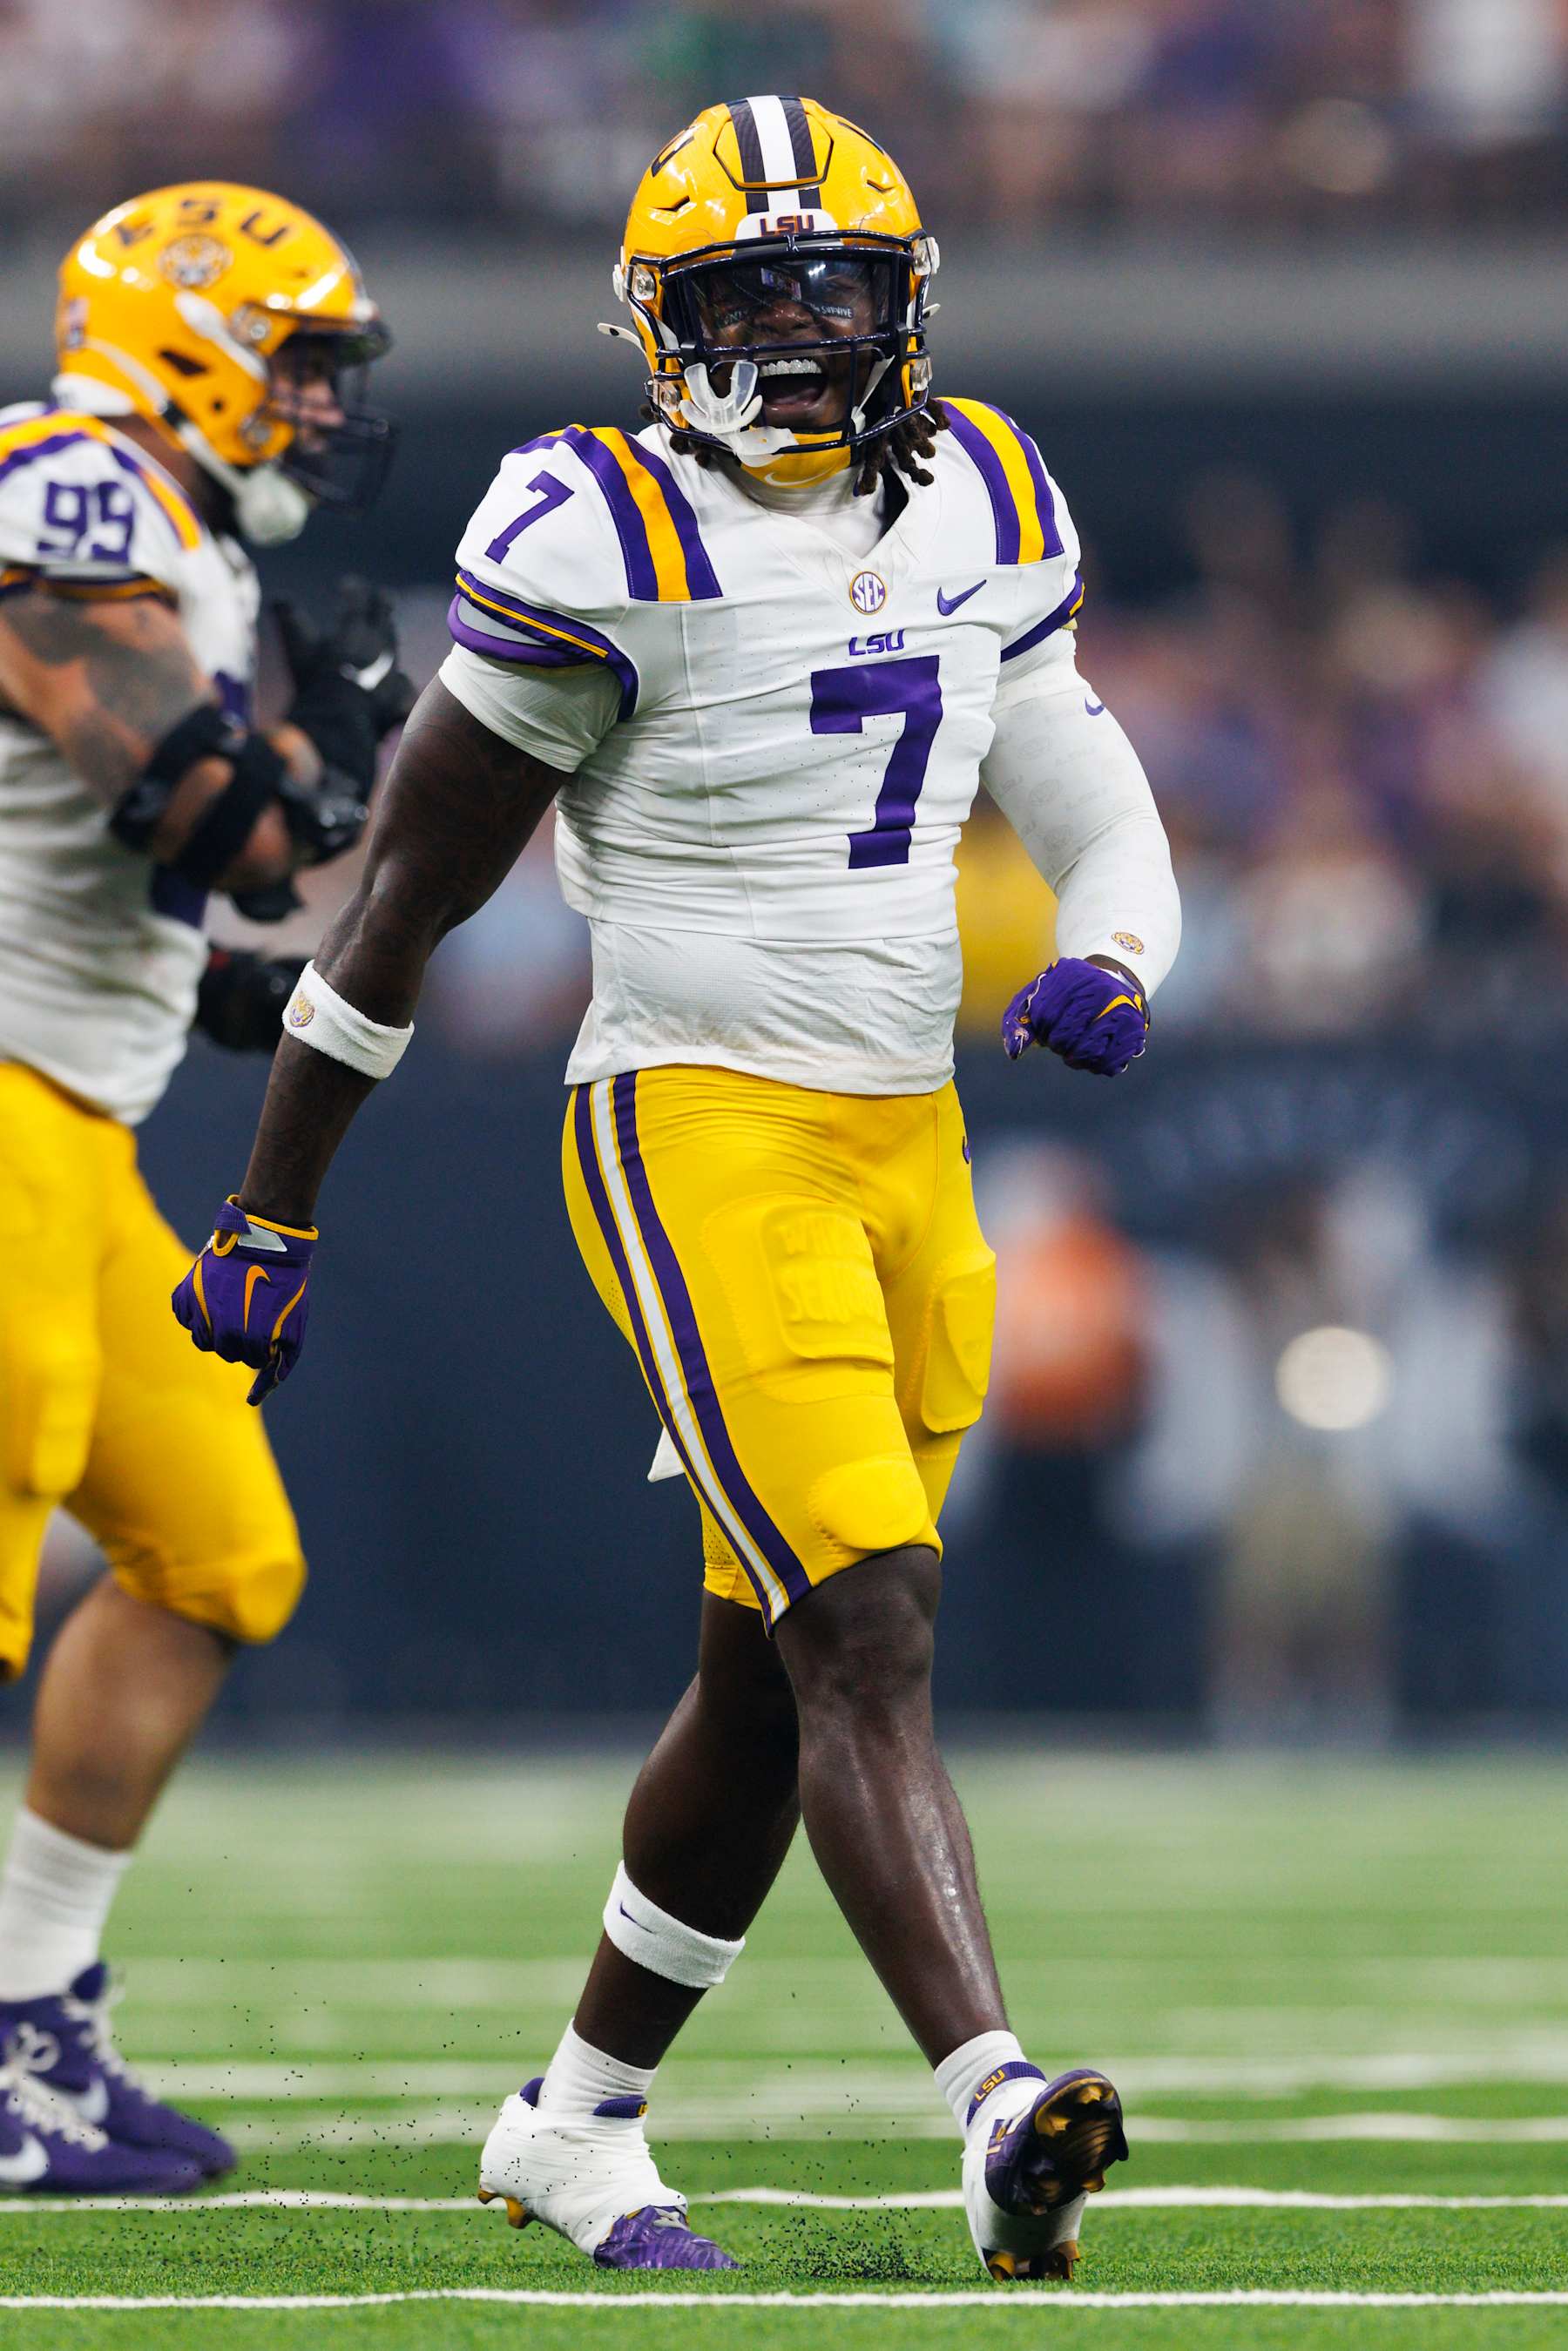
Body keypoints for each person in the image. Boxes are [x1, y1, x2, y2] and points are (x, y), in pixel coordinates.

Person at [173, 100, 1179, 2280]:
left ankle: (575, 2119)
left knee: (762, 1670)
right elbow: (401, 912)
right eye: (752, 298)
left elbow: (1094, 793)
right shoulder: (594, 526)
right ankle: (998, 2099)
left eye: (837, 290)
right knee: (867, 1619)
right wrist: (276, 1206)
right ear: (661, 327)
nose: (804, 339)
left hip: (908, 1133)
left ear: (906, 307)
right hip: (696, 1119)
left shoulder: (991, 488)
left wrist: (1115, 954)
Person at [0, 182, 409, 2194]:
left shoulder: (171, 534)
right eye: (305, 362)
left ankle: (28, 2026)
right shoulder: (69, 480)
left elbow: (173, 866)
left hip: (66, 1122)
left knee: (216, 1556)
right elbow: (170, 785)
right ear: (198, 341)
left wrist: (229, 970)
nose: (325, 407)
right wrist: (317, 789)